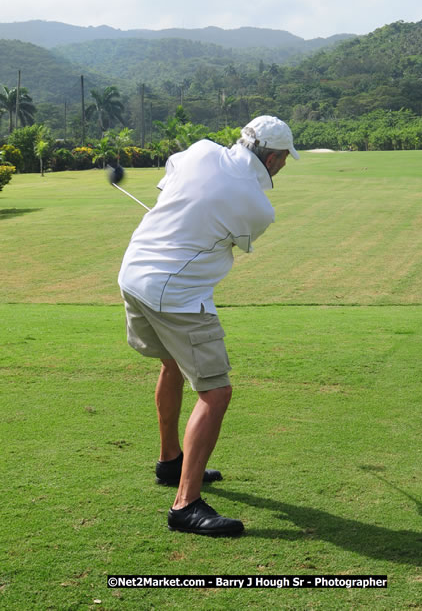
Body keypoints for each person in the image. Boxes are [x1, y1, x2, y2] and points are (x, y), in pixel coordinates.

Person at [118, 115, 299, 536]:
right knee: (216, 392)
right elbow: (237, 239)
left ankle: (170, 462)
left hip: (133, 275)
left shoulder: (200, 149)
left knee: (171, 363)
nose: (285, 166)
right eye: (285, 158)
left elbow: (171, 187)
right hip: (175, 296)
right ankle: (186, 504)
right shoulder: (258, 207)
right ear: (272, 158)